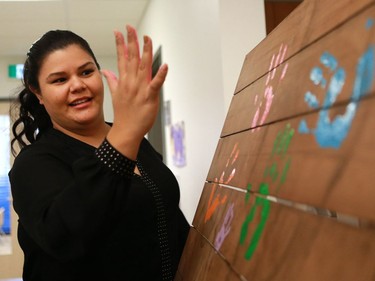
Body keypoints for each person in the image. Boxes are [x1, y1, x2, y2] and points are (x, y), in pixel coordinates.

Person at [9, 25, 190, 281]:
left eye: (86, 72)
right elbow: (65, 237)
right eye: (60, 80)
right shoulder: (33, 164)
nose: (78, 85)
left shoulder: (135, 141)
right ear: (37, 92)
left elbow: (168, 217)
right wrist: (123, 137)